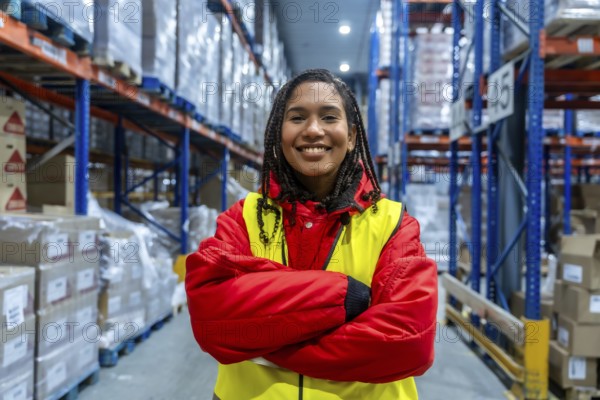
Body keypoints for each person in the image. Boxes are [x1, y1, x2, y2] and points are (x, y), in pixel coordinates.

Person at [186, 69, 438, 399]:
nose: (313, 130)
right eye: (297, 117)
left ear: (351, 137)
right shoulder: (244, 218)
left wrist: (267, 336)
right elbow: (211, 317)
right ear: (280, 134)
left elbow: (408, 342)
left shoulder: (393, 225)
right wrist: (345, 297)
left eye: (329, 117)